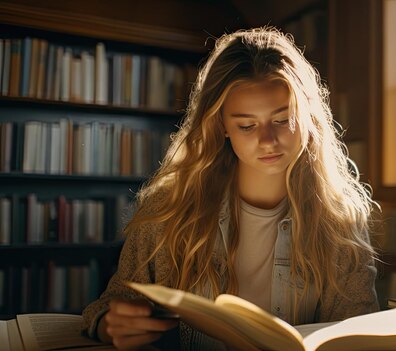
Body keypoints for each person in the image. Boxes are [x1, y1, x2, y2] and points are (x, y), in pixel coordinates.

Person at [82, 26, 379, 350]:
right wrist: (109, 323)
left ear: (307, 116)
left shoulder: (339, 223)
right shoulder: (168, 210)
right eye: (247, 125)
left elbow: (356, 333)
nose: (267, 140)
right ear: (221, 125)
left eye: (282, 119)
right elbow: (110, 304)